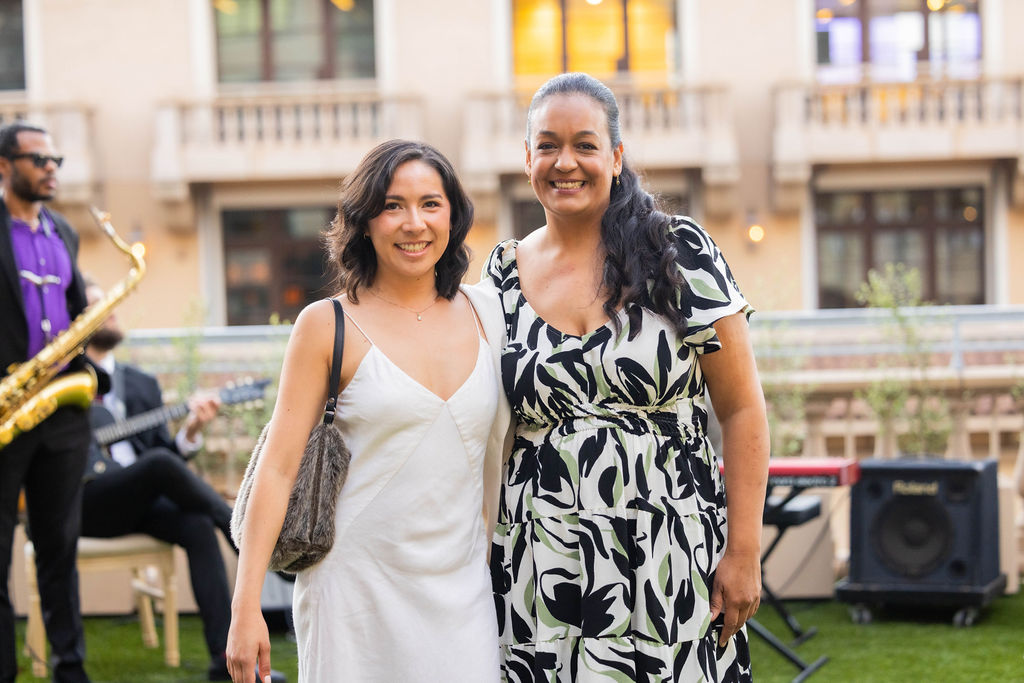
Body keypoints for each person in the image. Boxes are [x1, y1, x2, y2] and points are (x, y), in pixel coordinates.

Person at [481, 72, 770, 682]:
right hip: (541, 554)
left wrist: (744, 551)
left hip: (667, 545)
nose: (565, 162)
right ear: (527, 158)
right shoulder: (502, 275)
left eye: (584, 145)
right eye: (548, 145)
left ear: (615, 157)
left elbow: (742, 408)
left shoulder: (677, 252)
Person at [226, 139, 509, 683]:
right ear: (364, 221)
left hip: (463, 589)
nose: (413, 223)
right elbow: (278, 469)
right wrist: (245, 606)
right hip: (352, 595)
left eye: (430, 203)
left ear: (453, 215)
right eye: (392, 205)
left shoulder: (487, 313)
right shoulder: (326, 325)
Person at [80, 282, 287, 682]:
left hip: (138, 502)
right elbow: (159, 464)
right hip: (85, 501)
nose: (110, 311)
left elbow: (166, 460)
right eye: (96, 305)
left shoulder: (141, 383)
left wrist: (191, 431)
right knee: (159, 466)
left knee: (196, 525)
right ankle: (240, 532)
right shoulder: (61, 381)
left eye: (111, 304)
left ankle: (223, 662)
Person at [0, 122, 94, 682]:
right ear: (4, 166)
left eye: (55, 159)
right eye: (38, 159)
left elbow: (75, 311)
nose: (50, 167)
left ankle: (70, 669)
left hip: (62, 410)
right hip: (6, 412)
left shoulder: (65, 232)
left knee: (59, 548)